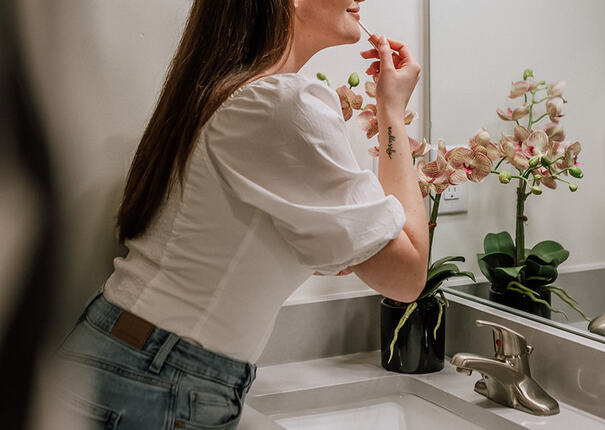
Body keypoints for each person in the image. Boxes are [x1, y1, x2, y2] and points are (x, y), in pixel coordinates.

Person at [52, 0, 428, 428]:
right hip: (159, 373)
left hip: (134, 359)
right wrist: (391, 112)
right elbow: (407, 276)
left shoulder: (235, 93)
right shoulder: (281, 104)